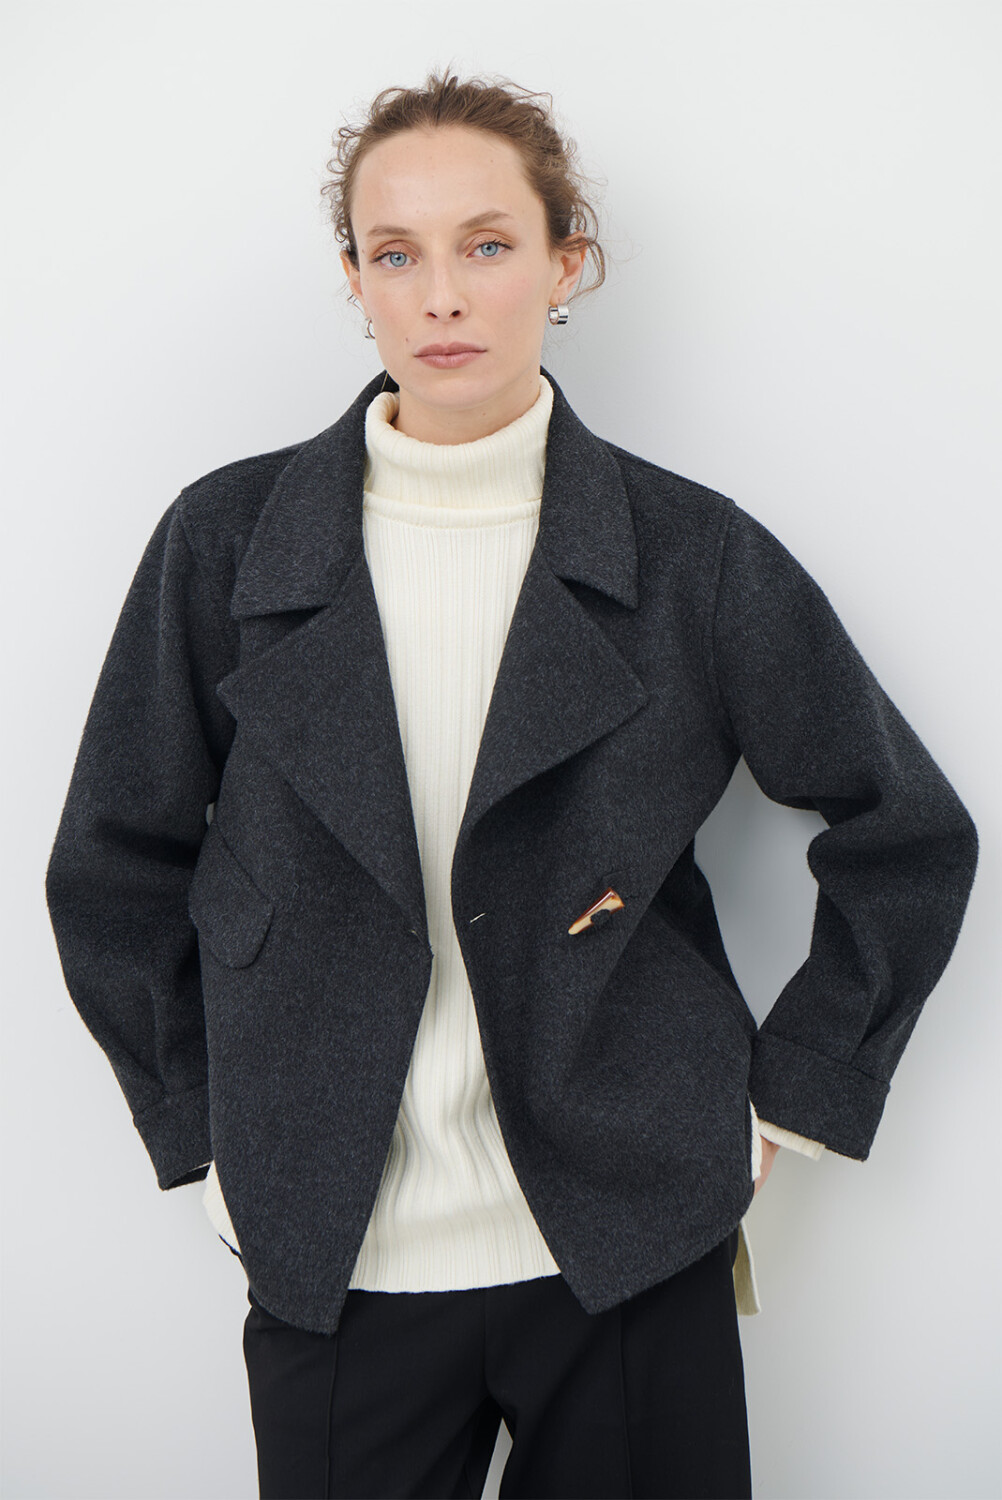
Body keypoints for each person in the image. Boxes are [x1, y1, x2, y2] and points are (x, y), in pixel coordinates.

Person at [44, 69, 977, 1500]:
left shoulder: (690, 553)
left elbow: (904, 831)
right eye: (394, 253)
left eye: (487, 245)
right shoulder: (225, 543)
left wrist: (795, 1097)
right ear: (352, 279)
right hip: (329, 1241)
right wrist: (203, 1135)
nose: (442, 297)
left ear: (564, 261)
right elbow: (114, 864)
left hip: (627, 1233)